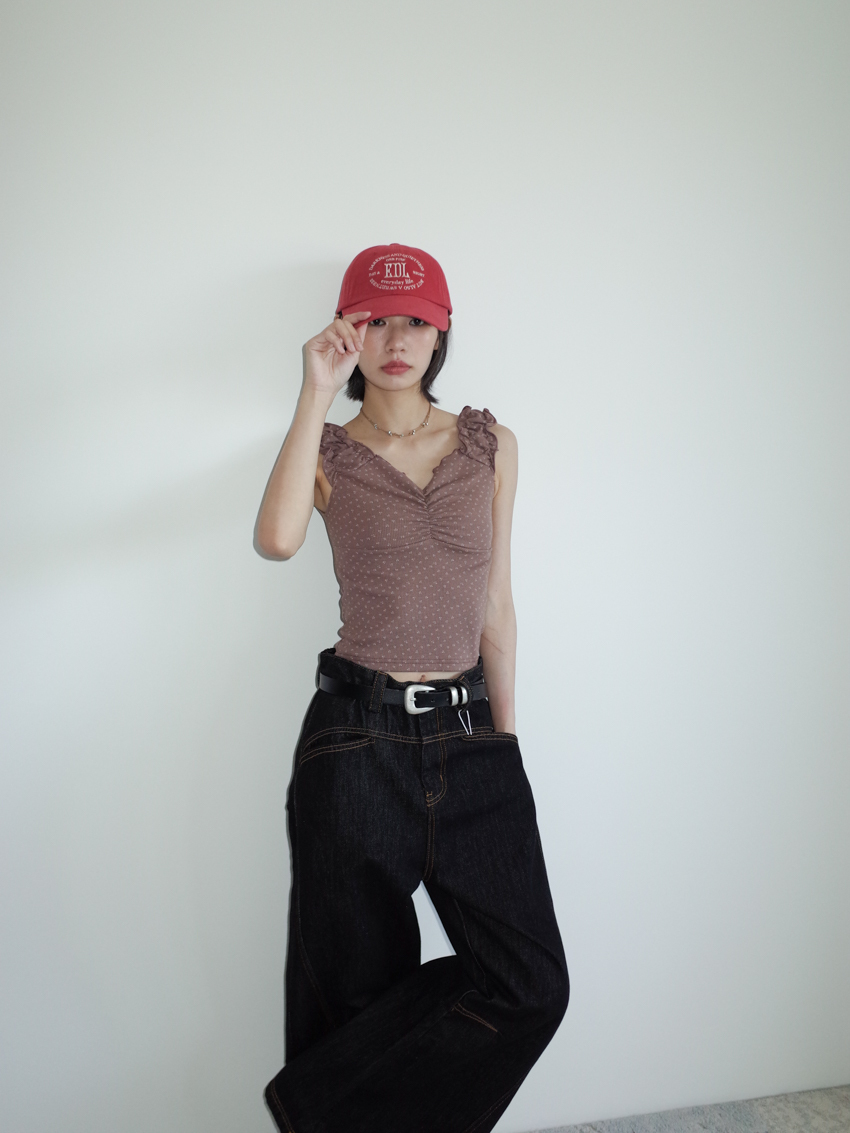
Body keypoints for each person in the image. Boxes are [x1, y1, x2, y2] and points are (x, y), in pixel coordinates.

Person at [254, 243, 568, 1133]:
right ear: (349, 333)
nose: (398, 341)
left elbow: (496, 605)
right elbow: (276, 540)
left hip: (470, 734)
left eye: (416, 322)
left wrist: (505, 745)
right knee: (356, 987)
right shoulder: (326, 450)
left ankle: (311, 1110)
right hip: (356, 738)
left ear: (442, 331)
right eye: (377, 322)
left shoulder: (489, 444)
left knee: (530, 983)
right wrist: (315, 391)